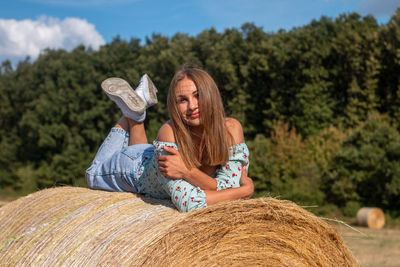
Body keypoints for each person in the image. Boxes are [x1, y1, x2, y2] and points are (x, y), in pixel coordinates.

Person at [86, 65, 254, 212]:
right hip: (131, 169)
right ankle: (132, 114)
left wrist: (187, 171)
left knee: (147, 153)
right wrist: (244, 191)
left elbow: (231, 187)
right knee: (92, 175)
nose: (192, 106)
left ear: (211, 95)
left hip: (152, 159)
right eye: (182, 100)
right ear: (174, 105)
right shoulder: (169, 132)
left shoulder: (231, 129)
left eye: (198, 95)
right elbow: (189, 203)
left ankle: (135, 113)